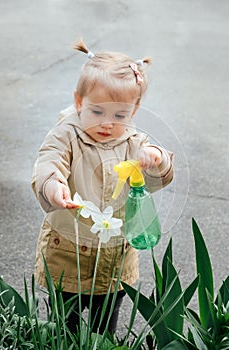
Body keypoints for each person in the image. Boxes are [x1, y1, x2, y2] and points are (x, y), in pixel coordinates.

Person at [32, 38, 174, 335]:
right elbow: (50, 160)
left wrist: (157, 160)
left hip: (114, 260)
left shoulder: (135, 143)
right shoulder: (66, 135)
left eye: (119, 115)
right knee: (63, 328)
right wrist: (53, 185)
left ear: (133, 113)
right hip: (68, 254)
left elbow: (154, 180)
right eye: (97, 112)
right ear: (79, 101)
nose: (108, 124)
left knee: (103, 330)